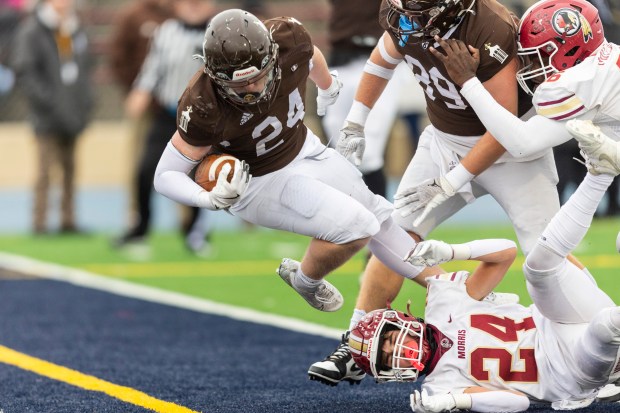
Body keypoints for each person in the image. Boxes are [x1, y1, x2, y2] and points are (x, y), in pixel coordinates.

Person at [309, 0, 560, 386]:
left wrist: (449, 182)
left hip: (513, 151)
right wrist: (356, 121)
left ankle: (595, 345)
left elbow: (504, 128)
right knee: (392, 234)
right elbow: (381, 58)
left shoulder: (490, 28)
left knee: (549, 256)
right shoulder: (409, 15)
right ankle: (357, 342)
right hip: (444, 141)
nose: (403, 15)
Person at [153, 9, 442, 315]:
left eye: (257, 77)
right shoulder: (202, 102)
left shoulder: (288, 39)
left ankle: (445, 286)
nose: (252, 89)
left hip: (304, 148)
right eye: (240, 85)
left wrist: (327, 85)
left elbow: (312, 55)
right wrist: (207, 198)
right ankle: (306, 279)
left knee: (379, 214)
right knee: (359, 225)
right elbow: (165, 174)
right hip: (259, 181)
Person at [347, 120, 620, 413]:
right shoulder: (439, 387)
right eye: (385, 358)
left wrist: (452, 251)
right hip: (568, 371)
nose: (394, 350)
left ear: (401, 321)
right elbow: (518, 402)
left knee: (538, 265)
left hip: (555, 318)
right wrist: (457, 400)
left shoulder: (444, 302)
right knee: (606, 325)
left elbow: (506, 253)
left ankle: (600, 171)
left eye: (387, 339)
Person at [419, 0, 618, 207]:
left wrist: (468, 82)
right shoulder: (601, 70)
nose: (529, 67)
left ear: (571, 52)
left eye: (537, 56)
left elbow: (522, 144)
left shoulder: (584, 84)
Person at [114, 0, 214, 255]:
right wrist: (141, 91)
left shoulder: (217, 32)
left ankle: (194, 231)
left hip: (200, 118)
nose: (193, 7)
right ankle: (141, 228)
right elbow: (152, 69)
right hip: (167, 113)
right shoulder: (166, 31)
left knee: (197, 177)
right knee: (145, 171)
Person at [321, 0, 425, 199]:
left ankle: (380, 222)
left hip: (383, 60)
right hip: (342, 58)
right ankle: (351, 217)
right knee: (339, 147)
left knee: (368, 151)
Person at [12, 0, 93, 234]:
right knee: (44, 170)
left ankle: (69, 220)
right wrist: (50, 102)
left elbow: (84, 69)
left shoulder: (76, 28)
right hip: (47, 114)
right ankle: (40, 221)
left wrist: (84, 103)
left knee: (70, 169)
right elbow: (26, 72)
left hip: (73, 111)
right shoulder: (33, 30)